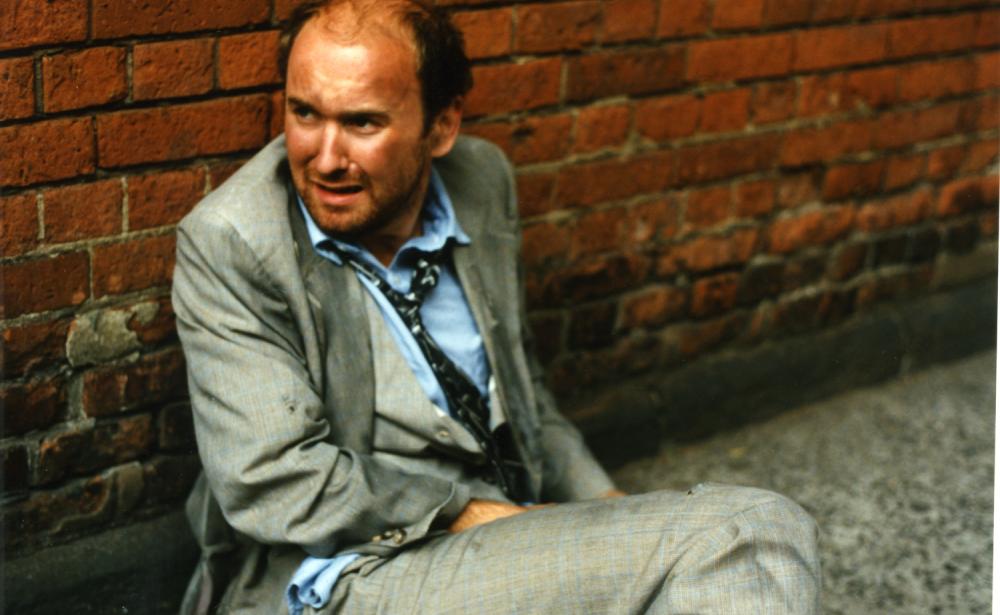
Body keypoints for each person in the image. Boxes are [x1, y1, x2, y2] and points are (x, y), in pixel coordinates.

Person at [172, 0, 821, 612]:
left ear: (442, 126)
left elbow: (524, 395)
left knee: (707, 556)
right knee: (746, 533)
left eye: (362, 122)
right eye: (305, 113)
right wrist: (473, 511)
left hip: (500, 541)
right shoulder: (235, 240)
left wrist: (611, 511)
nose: (325, 157)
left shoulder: (481, 182)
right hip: (348, 574)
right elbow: (272, 478)